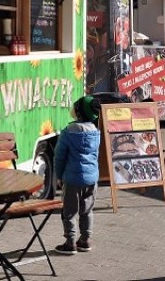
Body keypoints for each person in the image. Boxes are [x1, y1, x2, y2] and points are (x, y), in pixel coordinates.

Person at [54, 95, 101, 255]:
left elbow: (59, 156)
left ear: (79, 113)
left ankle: (70, 243)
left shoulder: (68, 132)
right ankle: (85, 240)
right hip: (92, 179)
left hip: (72, 179)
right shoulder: (96, 131)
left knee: (69, 211)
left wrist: (58, 176)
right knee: (87, 211)